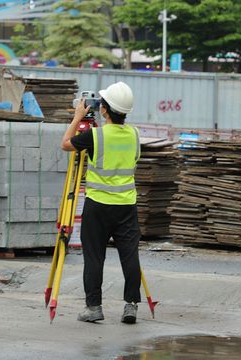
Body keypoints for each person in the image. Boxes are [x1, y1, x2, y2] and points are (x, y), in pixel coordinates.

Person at [61, 82, 142, 324]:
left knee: (95, 257)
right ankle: (131, 305)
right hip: (126, 205)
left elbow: (66, 143)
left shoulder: (95, 135)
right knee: (129, 254)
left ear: (104, 110)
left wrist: (77, 117)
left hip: (98, 205)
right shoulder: (135, 134)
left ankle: (94, 307)